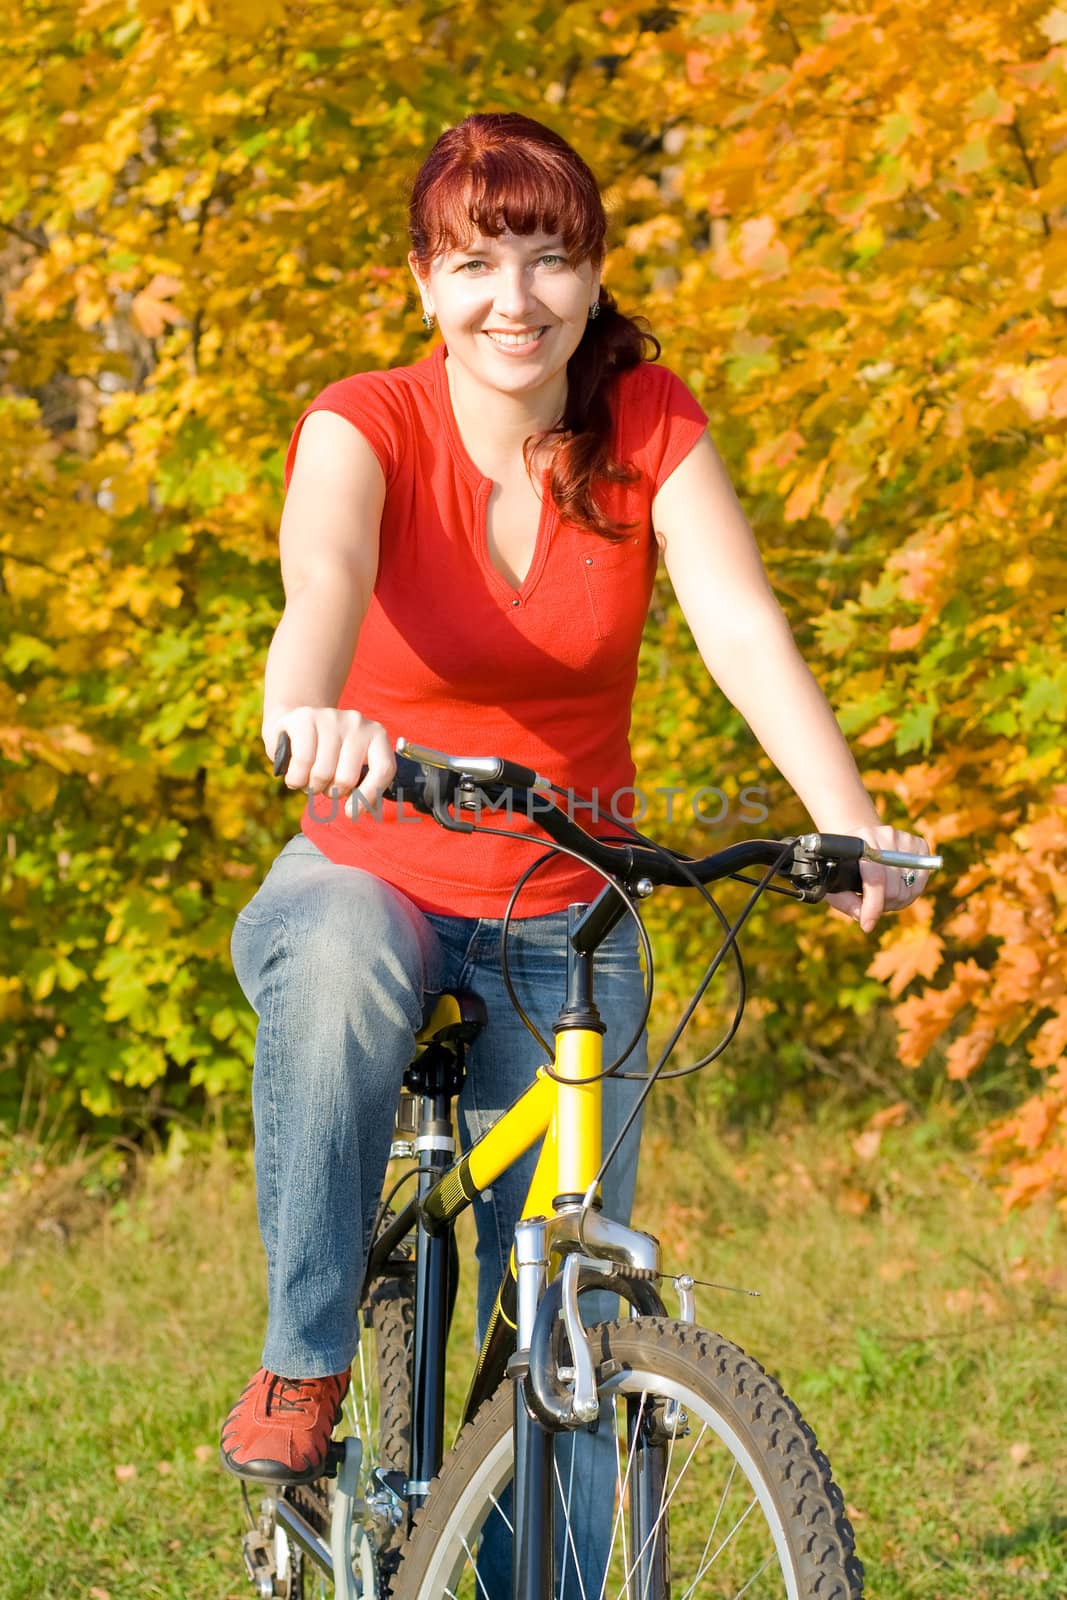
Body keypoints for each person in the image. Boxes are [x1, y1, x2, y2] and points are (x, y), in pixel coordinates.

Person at [220, 112, 930, 1498]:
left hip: (563, 903)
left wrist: (847, 818)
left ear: (594, 278)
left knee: (563, 1329)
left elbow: (735, 619)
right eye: (479, 263)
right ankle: (305, 1357)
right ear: (425, 283)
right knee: (342, 960)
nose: (516, 299)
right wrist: (306, 713)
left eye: (552, 260)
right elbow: (325, 578)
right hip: (375, 866)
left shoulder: (647, 423)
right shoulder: (365, 422)